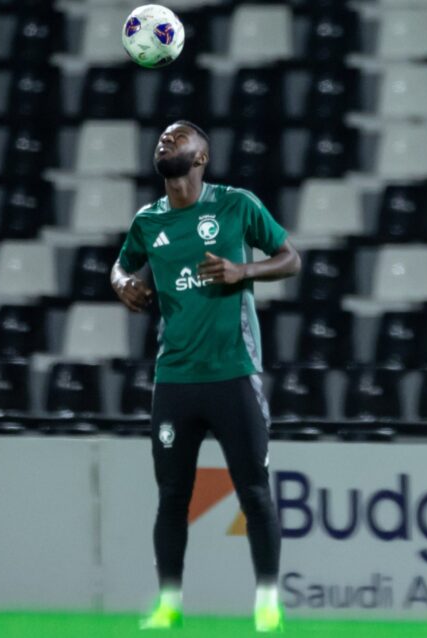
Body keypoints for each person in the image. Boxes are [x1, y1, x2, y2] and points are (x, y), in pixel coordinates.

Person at [110, 121, 301, 633]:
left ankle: (267, 603)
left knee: (254, 493)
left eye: (179, 138)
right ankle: (168, 605)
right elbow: (120, 266)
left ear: (201, 157)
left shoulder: (236, 205)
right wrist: (123, 282)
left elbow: (291, 258)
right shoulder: (148, 220)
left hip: (233, 372)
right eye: (163, 137)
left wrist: (244, 271)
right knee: (173, 497)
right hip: (175, 378)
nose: (166, 140)